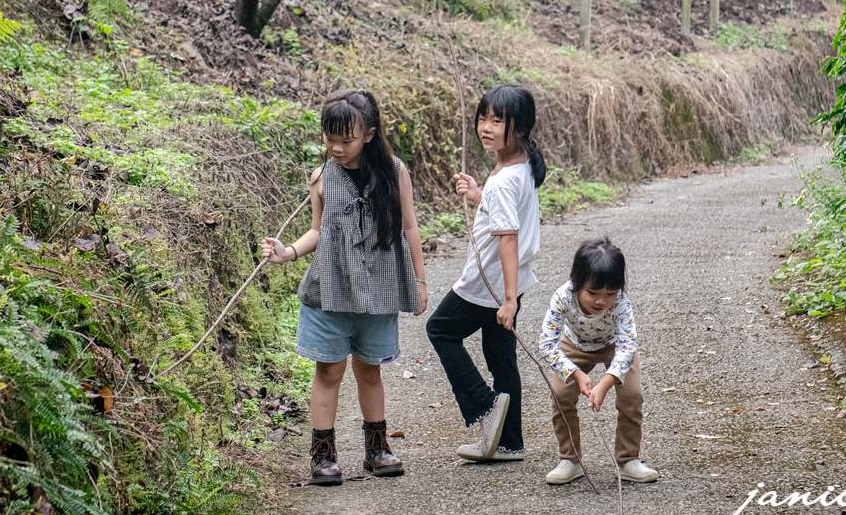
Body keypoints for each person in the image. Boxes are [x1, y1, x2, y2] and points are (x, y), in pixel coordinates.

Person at [262, 89, 429, 486]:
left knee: (370, 369)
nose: (336, 148)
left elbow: (409, 227)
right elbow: (318, 231)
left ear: (368, 135)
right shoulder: (321, 178)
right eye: (329, 138)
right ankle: (323, 455)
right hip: (330, 289)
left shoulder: (395, 172)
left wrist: (420, 281)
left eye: (345, 139)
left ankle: (378, 449)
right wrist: (288, 253)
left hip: (378, 287)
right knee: (329, 370)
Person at [427, 84, 545, 462]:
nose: (486, 127)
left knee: (440, 329)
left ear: (521, 128)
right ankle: (510, 442)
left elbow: (507, 238)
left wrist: (508, 300)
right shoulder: (518, 165)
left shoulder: (507, 178)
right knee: (500, 356)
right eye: (483, 118)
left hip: (490, 282)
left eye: (498, 120)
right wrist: (481, 195)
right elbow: (504, 212)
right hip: (508, 280)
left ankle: (485, 404)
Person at [538, 237, 658, 485]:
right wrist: (576, 374)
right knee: (561, 395)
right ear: (576, 283)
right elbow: (547, 344)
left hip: (614, 346)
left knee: (632, 396)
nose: (601, 301)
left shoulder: (622, 303)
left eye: (610, 294)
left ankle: (628, 460)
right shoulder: (562, 297)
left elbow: (627, 347)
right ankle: (570, 460)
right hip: (575, 346)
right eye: (592, 293)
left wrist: (605, 383)